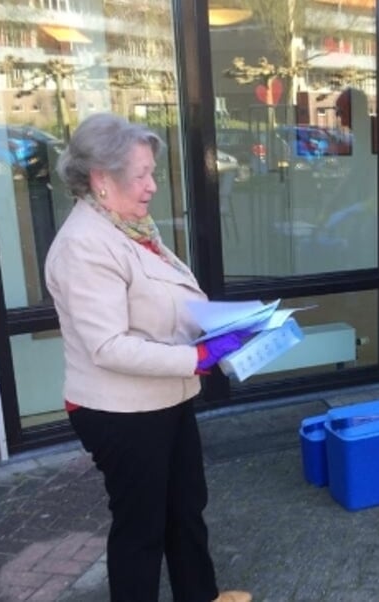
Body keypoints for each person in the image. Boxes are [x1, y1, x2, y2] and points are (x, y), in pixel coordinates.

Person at [44, 113, 251, 602]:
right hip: (121, 412)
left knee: (185, 508)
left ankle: (200, 596)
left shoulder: (129, 228)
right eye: (141, 175)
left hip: (163, 398)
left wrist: (224, 325)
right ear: (101, 179)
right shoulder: (84, 246)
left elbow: (164, 301)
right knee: (142, 529)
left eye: (152, 173)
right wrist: (198, 357)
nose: (152, 186)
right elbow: (108, 346)